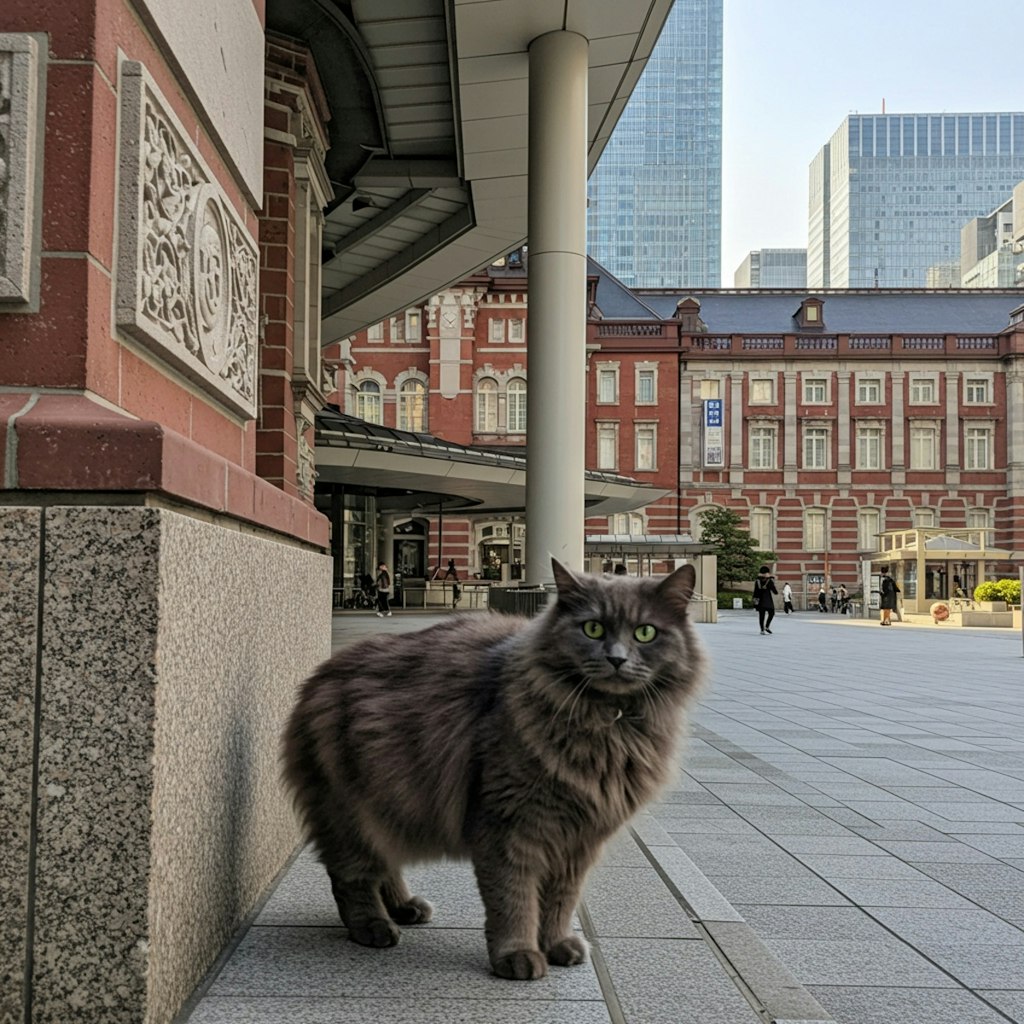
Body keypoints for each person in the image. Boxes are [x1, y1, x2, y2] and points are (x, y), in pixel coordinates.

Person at [753, 565, 778, 635]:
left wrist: (755, 603)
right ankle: (767, 626)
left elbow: (755, 592)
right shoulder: (769, 581)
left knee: (761, 615)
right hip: (768, 601)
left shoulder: (757, 581)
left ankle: (762, 630)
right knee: (771, 613)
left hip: (760, 601)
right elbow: (775, 592)